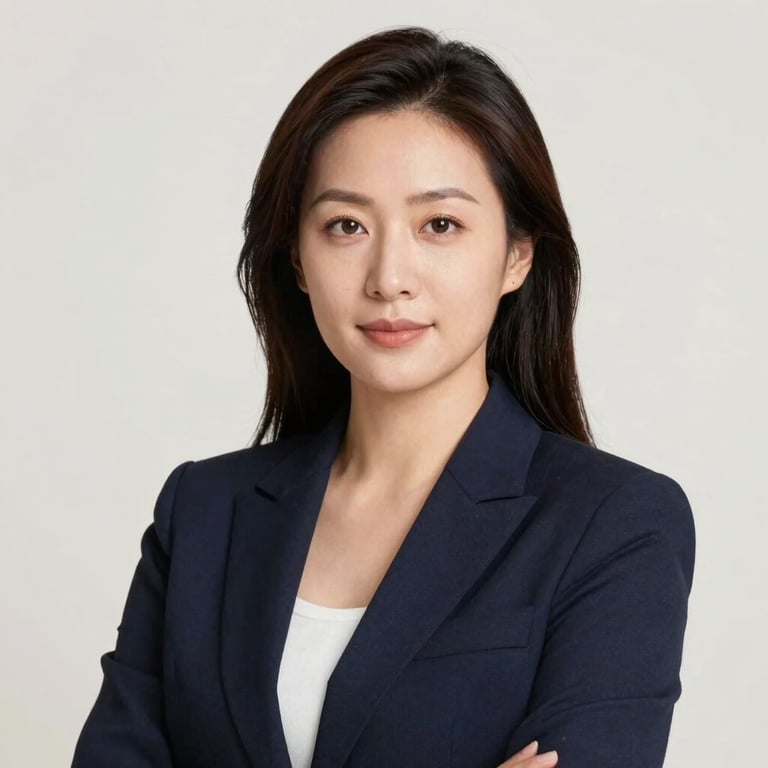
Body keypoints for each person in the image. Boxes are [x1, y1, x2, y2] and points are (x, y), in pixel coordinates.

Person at [71, 25, 695, 768]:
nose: (389, 275)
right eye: (346, 226)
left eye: (440, 224)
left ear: (517, 255)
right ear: (298, 259)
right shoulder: (203, 512)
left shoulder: (615, 525)